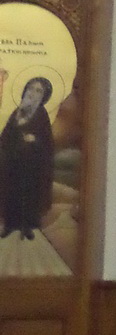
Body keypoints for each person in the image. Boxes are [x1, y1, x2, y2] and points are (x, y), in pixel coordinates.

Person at [0, 77, 55, 240]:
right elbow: (5, 136)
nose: (32, 93)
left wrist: (34, 140)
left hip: (32, 166)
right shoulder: (17, 112)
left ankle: (28, 227)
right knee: (12, 194)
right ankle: (10, 225)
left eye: (38, 91)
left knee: (29, 196)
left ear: (43, 96)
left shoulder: (42, 114)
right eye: (30, 88)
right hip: (13, 164)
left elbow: (47, 142)